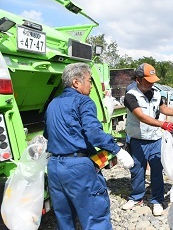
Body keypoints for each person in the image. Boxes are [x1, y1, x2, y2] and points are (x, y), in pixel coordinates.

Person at [44, 63, 134, 230]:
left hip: (55, 167)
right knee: (95, 217)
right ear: (76, 82)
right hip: (78, 168)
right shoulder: (83, 102)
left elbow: (47, 134)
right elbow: (93, 133)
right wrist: (118, 150)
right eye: (89, 80)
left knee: (64, 219)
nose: (91, 85)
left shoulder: (52, 104)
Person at [122, 63, 173, 216]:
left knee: (156, 170)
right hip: (137, 139)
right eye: (148, 80)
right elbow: (141, 116)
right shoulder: (130, 96)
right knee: (137, 169)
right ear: (138, 79)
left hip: (155, 139)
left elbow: (162, 108)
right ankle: (136, 197)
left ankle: (157, 200)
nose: (152, 83)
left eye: (153, 80)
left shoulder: (156, 93)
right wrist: (163, 124)